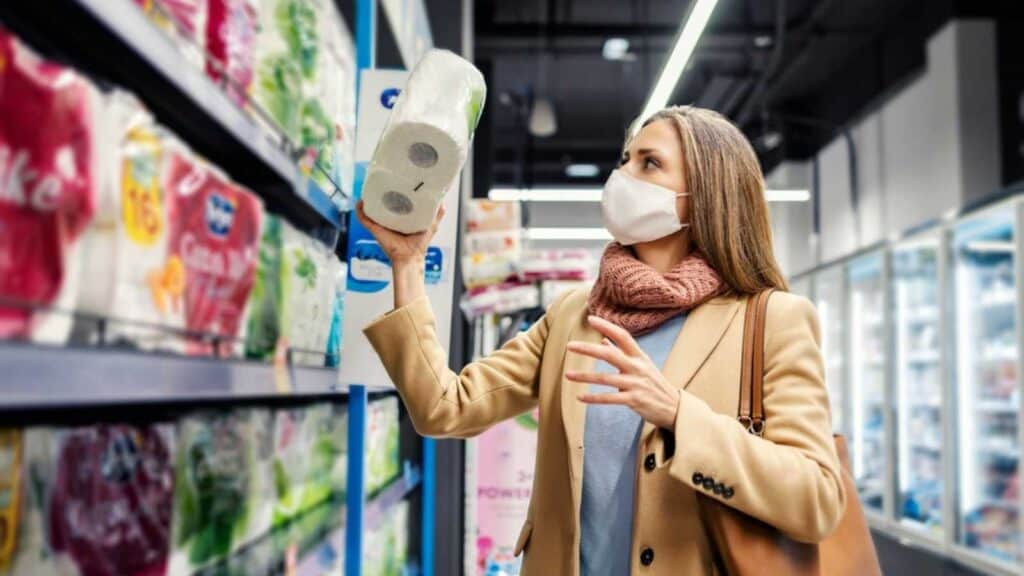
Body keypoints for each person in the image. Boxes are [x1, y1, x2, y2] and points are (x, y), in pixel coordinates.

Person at [356, 106, 845, 576]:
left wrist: (678, 414)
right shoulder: (575, 314)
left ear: (706, 196)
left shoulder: (772, 320)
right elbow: (445, 407)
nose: (623, 176)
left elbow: (817, 500)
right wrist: (409, 265)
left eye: (649, 163)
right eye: (625, 160)